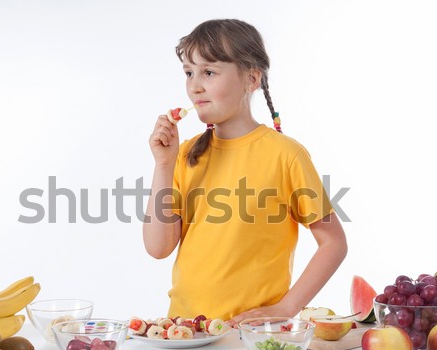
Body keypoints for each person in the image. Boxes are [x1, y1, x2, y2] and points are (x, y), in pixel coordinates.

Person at [143, 18, 347, 326]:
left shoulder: (286, 155)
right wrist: (163, 165)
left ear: (251, 79)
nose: (194, 86)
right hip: (187, 330)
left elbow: (333, 243)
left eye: (208, 72)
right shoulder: (185, 155)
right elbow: (158, 248)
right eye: (189, 73)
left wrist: (287, 306)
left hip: (253, 335)